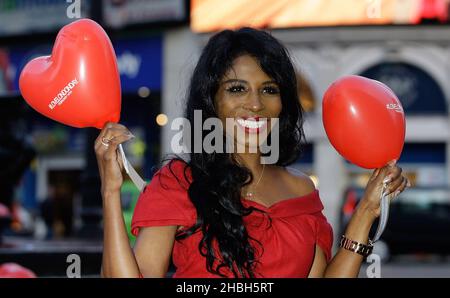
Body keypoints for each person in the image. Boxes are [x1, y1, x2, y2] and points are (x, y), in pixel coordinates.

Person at [96, 27, 411, 278]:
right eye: (237, 89)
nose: (256, 104)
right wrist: (110, 191)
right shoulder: (179, 183)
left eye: (269, 89)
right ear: (211, 102)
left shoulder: (301, 189)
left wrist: (367, 210)